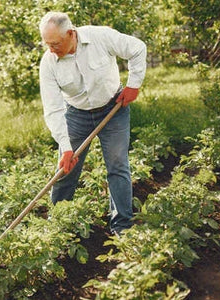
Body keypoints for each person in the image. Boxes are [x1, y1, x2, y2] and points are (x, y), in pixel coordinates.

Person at [38, 12, 147, 234]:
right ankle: (58, 224)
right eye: (47, 44)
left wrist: (133, 84)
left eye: (55, 43)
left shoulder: (100, 37)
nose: (51, 49)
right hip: (76, 114)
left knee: (117, 165)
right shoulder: (49, 62)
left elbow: (137, 48)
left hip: (113, 108)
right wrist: (67, 148)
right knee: (66, 168)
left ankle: (122, 227)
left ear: (71, 33)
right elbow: (53, 109)